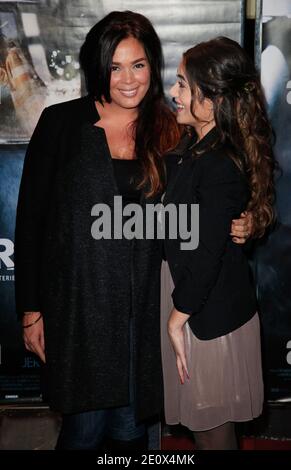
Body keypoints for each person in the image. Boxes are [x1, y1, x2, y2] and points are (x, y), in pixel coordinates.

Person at [14, 12, 250, 451]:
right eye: (116, 66)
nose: (127, 79)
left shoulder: (171, 127)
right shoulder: (61, 123)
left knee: (131, 433)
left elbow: (220, 184)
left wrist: (250, 218)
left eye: (138, 65)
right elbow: (30, 221)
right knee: (83, 431)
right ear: (98, 67)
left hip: (145, 309)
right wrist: (30, 310)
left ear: (152, 66)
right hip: (79, 309)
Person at [161, 37, 275, 450]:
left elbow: (208, 253)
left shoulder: (217, 162)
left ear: (210, 102)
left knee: (212, 429)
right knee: (203, 425)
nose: (173, 93)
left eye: (183, 86)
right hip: (193, 299)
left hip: (205, 311)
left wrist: (177, 317)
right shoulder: (193, 147)